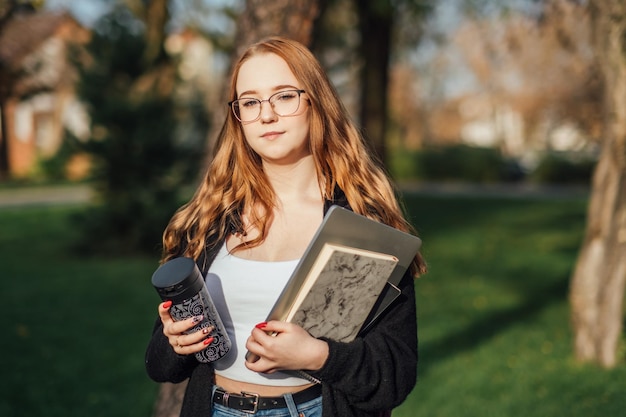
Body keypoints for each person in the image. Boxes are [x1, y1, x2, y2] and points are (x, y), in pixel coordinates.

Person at [145, 36, 426, 417]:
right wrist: (174, 341)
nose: (266, 115)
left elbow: (395, 374)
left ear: (315, 102)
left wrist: (318, 355)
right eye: (250, 102)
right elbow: (160, 368)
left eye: (284, 96)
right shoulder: (211, 220)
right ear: (238, 116)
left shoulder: (364, 230)